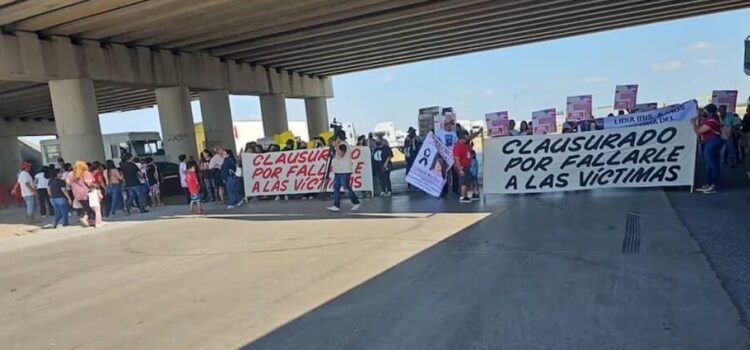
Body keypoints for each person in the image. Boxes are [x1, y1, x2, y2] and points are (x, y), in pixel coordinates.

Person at [693, 105, 722, 194]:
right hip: (710, 142)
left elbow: (698, 131)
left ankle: (713, 185)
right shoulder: (710, 120)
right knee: (709, 164)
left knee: (712, 164)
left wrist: (693, 124)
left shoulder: (712, 121)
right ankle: (709, 183)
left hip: (712, 142)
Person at [326, 143, 361, 212]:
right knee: (336, 188)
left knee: (346, 187)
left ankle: (356, 202)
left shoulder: (343, 145)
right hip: (338, 171)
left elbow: (341, 154)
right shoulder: (337, 147)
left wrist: (336, 146)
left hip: (344, 171)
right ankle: (336, 205)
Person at [67, 161, 95, 227]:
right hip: (86, 191)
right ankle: (85, 218)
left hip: (76, 193)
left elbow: (68, 182)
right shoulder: (85, 173)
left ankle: (88, 220)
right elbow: (89, 183)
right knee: (90, 206)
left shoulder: (71, 174)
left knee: (85, 206)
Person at [453, 131, 474, 203]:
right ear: (461, 138)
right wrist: (460, 169)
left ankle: (467, 195)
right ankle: (462, 196)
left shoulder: (466, 144)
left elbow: (471, 137)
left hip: (467, 165)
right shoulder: (458, 147)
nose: (466, 139)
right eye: (465, 138)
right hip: (462, 166)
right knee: (463, 181)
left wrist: (478, 132)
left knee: (468, 181)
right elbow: (457, 159)